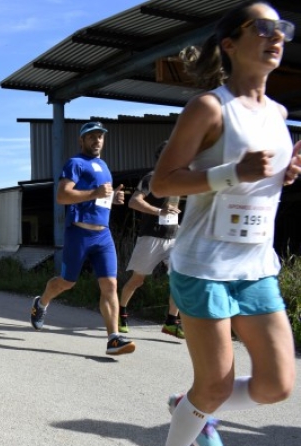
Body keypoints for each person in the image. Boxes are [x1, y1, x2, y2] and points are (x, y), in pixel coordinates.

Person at [151, 3, 300, 445]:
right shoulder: (210, 108)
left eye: (283, 29)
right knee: (214, 385)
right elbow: (162, 182)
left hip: (256, 265)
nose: (277, 36)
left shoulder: (278, 113)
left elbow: (258, 183)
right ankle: (190, 423)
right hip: (204, 266)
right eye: (264, 27)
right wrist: (234, 172)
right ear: (230, 43)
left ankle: (188, 406)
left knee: (277, 385)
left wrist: (286, 173)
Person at [29, 121, 136, 356]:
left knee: (110, 285)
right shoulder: (75, 163)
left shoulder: (104, 166)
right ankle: (42, 302)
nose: (97, 140)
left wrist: (113, 198)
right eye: (92, 137)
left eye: (100, 136)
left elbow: (99, 198)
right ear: (82, 140)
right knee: (67, 283)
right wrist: (96, 193)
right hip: (79, 233)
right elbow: (62, 195)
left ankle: (113, 338)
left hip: (103, 234)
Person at [118, 141, 185, 339]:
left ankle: (171, 322)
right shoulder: (152, 178)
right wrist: (159, 211)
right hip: (151, 236)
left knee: (179, 280)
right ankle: (121, 314)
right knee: (138, 280)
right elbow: (133, 201)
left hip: (174, 237)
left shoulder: (179, 180)